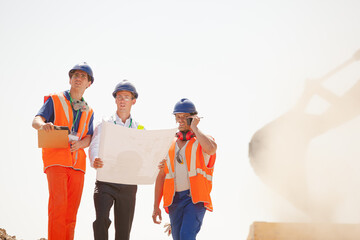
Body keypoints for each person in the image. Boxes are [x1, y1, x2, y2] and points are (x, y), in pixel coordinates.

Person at [32, 62, 95, 240]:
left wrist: (81, 144)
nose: (78, 78)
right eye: (75, 75)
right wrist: (43, 126)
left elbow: (89, 137)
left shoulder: (89, 110)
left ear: (89, 83)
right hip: (56, 160)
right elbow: (36, 120)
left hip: (78, 166)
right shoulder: (55, 99)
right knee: (58, 208)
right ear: (70, 79)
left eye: (83, 76)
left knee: (71, 214)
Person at [152, 98, 217, 240]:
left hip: (194, 199)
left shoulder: (202, 140)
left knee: (186, 236)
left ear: (192, 118)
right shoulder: (169, 143)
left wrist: (195, 128)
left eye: (185, 117)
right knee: (178, 238)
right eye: (178, 117)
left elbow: (211, 149)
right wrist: (156, 206)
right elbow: (161, 176)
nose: (180, 120)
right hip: (174, 201)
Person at [89, 80, 144, 240]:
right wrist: (95, 159)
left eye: (126, 97)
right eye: (119, 96)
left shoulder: (140, 129)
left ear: (133, 101)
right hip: (105, 181)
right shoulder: (105, 123)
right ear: (115, 99)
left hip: (128, 184)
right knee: (101, 220)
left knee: (123, 232)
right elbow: (95, 144)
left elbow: (146, 153)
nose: (122, 100)